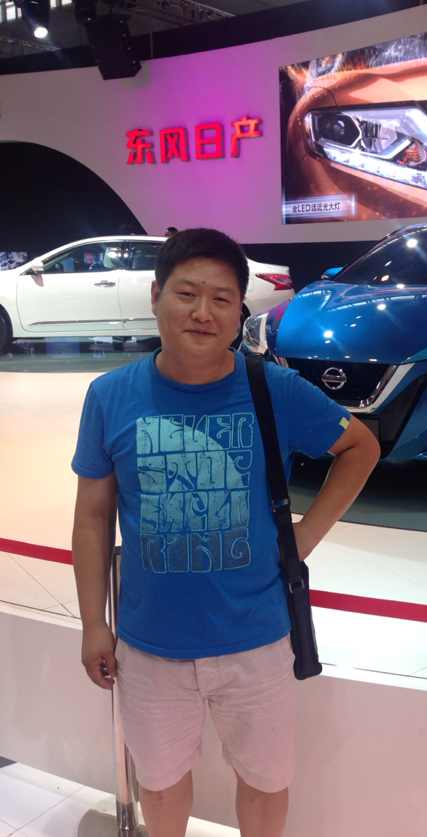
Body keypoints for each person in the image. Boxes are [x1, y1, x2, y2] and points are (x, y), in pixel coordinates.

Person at [71, 228, 380, 837]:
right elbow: (91, 517)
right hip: (151, 644)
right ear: (156, 296)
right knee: (160, 784)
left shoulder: (272, 389)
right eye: (187, 294)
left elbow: (360, 447)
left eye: (221, 299)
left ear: (240, 310)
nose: (203, 313)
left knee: (265, 782)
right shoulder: (110, 396)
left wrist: (301, 540)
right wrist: (92, 624)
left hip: (256, 639)